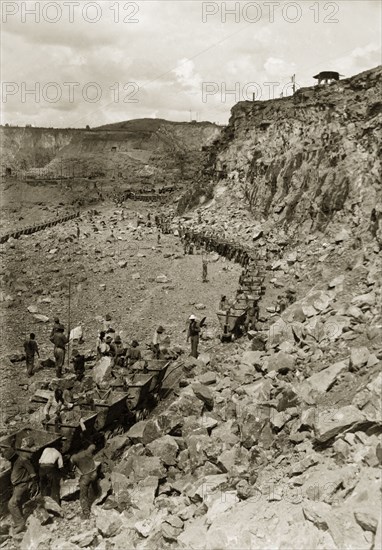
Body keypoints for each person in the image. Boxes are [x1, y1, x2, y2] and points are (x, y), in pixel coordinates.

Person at [5, 447, 38, 533]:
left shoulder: (23, 460)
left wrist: (34, 484)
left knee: (11, 504)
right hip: (17, 486)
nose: (9, 460)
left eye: (10, 458)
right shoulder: (14, 462)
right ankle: (19, 521)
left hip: (23, 484)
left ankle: (20, 524)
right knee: (17, 503)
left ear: (14, 456)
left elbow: (32, 473)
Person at [71, 444, 100, 519]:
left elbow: (71, 466)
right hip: (94, 474)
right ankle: (98, 498)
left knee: (83, 495)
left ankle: (86, 513)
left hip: (86, 476)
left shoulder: (75, 457)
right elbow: (93, 446)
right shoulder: (88, 451)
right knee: (94, 486)